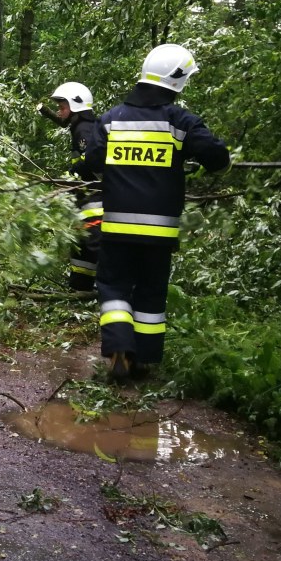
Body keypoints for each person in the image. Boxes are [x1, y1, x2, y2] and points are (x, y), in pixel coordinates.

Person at [84, 44, 229, 378]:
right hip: (159, 233)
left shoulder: (110, 120)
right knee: (150, 293)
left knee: (114, 287)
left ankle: (120, 347)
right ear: (177, 80)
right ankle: (144, 361)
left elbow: (92, 162)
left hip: (117, 227)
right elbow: (216, 157)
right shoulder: (179, 120)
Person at [40, 81, 104, 291]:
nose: (59, 112)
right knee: (82, 244)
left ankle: (107, 289)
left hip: (95, 197)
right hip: (86, 195)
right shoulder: (82, 126)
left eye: (62, 107)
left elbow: (93, 162)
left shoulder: (84, 129)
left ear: (76, 105)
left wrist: (74, 174)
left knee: (93, 242)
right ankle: (80, 289)